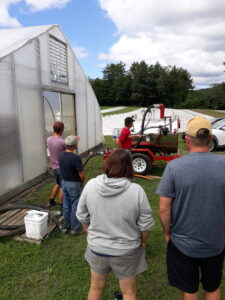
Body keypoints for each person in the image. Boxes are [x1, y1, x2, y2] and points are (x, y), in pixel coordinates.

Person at [156, 116, 225, 300]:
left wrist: (167, 232)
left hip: (182, 244)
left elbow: (164, 208)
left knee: (189, 289)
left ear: (187, 139)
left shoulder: (174, 167)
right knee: (213, 288)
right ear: (210, 139)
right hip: (215, 242)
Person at [76, 149, 154, 300]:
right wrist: (143, 241)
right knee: (129, 293)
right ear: (129, 167)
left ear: (107, 164)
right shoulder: (136, 191)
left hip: (97, 248)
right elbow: (146, 224)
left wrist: (89, 231)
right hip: (126, 250)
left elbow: (81, 215)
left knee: (95, 287)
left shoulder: (91, 185)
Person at [59, 135, 85, 235]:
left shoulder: (61, 155)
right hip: (73, 184)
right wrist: (83, 180)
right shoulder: (75, 158)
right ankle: (74, 229)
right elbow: (81, 174)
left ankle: (66, 226)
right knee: (75, 205)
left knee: (66, 204)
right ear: (74, 145)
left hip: (64, 182)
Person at [47, 121, 65, 207]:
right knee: (62, 186)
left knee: (58, 183)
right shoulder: (62, 142)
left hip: (54, 167)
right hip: (61, 167)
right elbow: (67, 152)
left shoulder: (49, 139)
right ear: (61, 130)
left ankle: (51, 201)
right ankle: (62, 205)